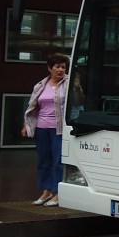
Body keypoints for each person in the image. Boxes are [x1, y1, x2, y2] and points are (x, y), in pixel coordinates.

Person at [22, 52, 69, 207]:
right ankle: (46, 191)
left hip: (59, 129)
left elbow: (78, 101)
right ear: (50, 68)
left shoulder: (69, 83)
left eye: (63, 67)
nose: (60, 70)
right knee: (43, 161)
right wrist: (26, 125)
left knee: (58, 161)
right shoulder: (41, 85)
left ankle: (58, 193)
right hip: (42, 128)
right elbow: (33, 106)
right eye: (57, 67)